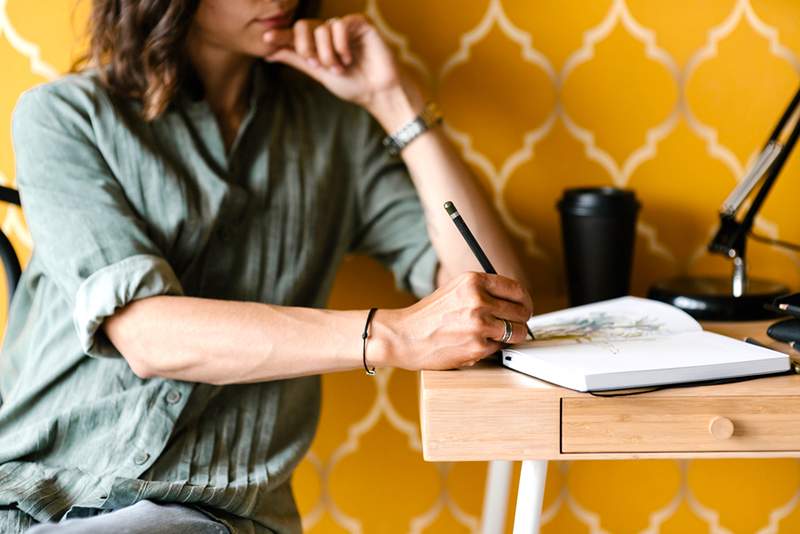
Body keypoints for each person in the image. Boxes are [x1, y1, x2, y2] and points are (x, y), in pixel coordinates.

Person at [0, 0, 533, 532]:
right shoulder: (63, 117)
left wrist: (395, 100)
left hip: (204, 512)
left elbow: (498, 305)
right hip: (27, 495)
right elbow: (145, 335)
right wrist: (391, 335)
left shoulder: (334, 134)